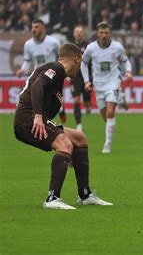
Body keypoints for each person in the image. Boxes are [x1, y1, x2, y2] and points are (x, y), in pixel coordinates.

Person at [13, 43, 112, 209]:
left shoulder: (58, 76)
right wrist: (37, 115)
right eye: (80, 64)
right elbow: (38, 85)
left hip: (35, 118)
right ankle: (52, 198)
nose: (79, 69)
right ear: (76, 58)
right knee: (65, 144)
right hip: (29, 119)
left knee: (79, 139)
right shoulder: (56, 68)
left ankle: (84, 194)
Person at [81, 22, 133, 153]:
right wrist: (87, 81)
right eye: (101, 33)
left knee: (110, 112)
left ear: (110, 34)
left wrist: (128, 72)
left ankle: (107, 144)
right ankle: (120, 98)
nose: (104, 35)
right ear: (97, 34)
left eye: (106, 33)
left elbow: (125, 61)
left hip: (113, 82)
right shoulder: (91, 48)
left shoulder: (117, 47)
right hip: (98, 85)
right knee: (106, 117)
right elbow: (83, 63)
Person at [16, 19, 67, 124]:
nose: (34, 29)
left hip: (52, 74)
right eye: (33, 27)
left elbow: (60, 57)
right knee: (40, 97)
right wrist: (22, 70)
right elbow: (27, 61)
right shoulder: (28, 44)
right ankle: (47, 117)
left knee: (50, 98)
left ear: (43, 28)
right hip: (38, 75)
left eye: (37, 27)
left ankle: (58, 110)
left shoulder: (53, 42)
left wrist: (62, 71)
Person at [70, 24, 91, 131]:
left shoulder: (88, 46)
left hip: (87, 77)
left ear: (83, 34)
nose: (79, 33)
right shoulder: (70, 47)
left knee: (87, 99)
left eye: (81, 31)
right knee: (77, 100)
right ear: (74, 34)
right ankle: (79, 124)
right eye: (77, 31)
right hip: (75, 78)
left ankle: (87, 106)